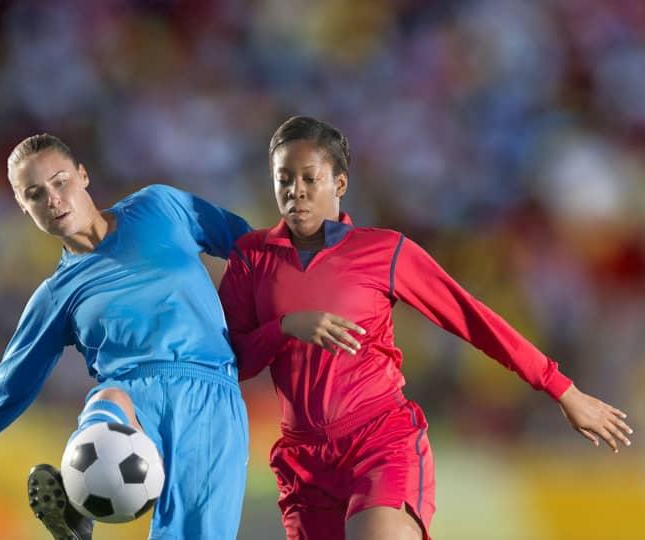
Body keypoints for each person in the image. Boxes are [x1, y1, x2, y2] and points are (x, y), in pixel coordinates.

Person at [217, 116, 634, 540]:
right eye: (283, 178)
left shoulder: (383, 250)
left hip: (377, 440)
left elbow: (471, 318)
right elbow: (233, 361)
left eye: (310, 177)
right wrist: (286, 327)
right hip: (304, 462)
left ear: (340, 183)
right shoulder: (252, 258)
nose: (296, 191)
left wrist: (560, 388)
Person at [0, 134, 252, 540]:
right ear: (23, 206)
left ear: (83, 175)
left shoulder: (161, 208)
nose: (51, 199)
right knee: (107, 399)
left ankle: (82, 496)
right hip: (129, 397)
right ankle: (75, 499)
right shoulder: (56, 296)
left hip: (210, 398)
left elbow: (254, 248)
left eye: (59, 181)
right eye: (34, 194)